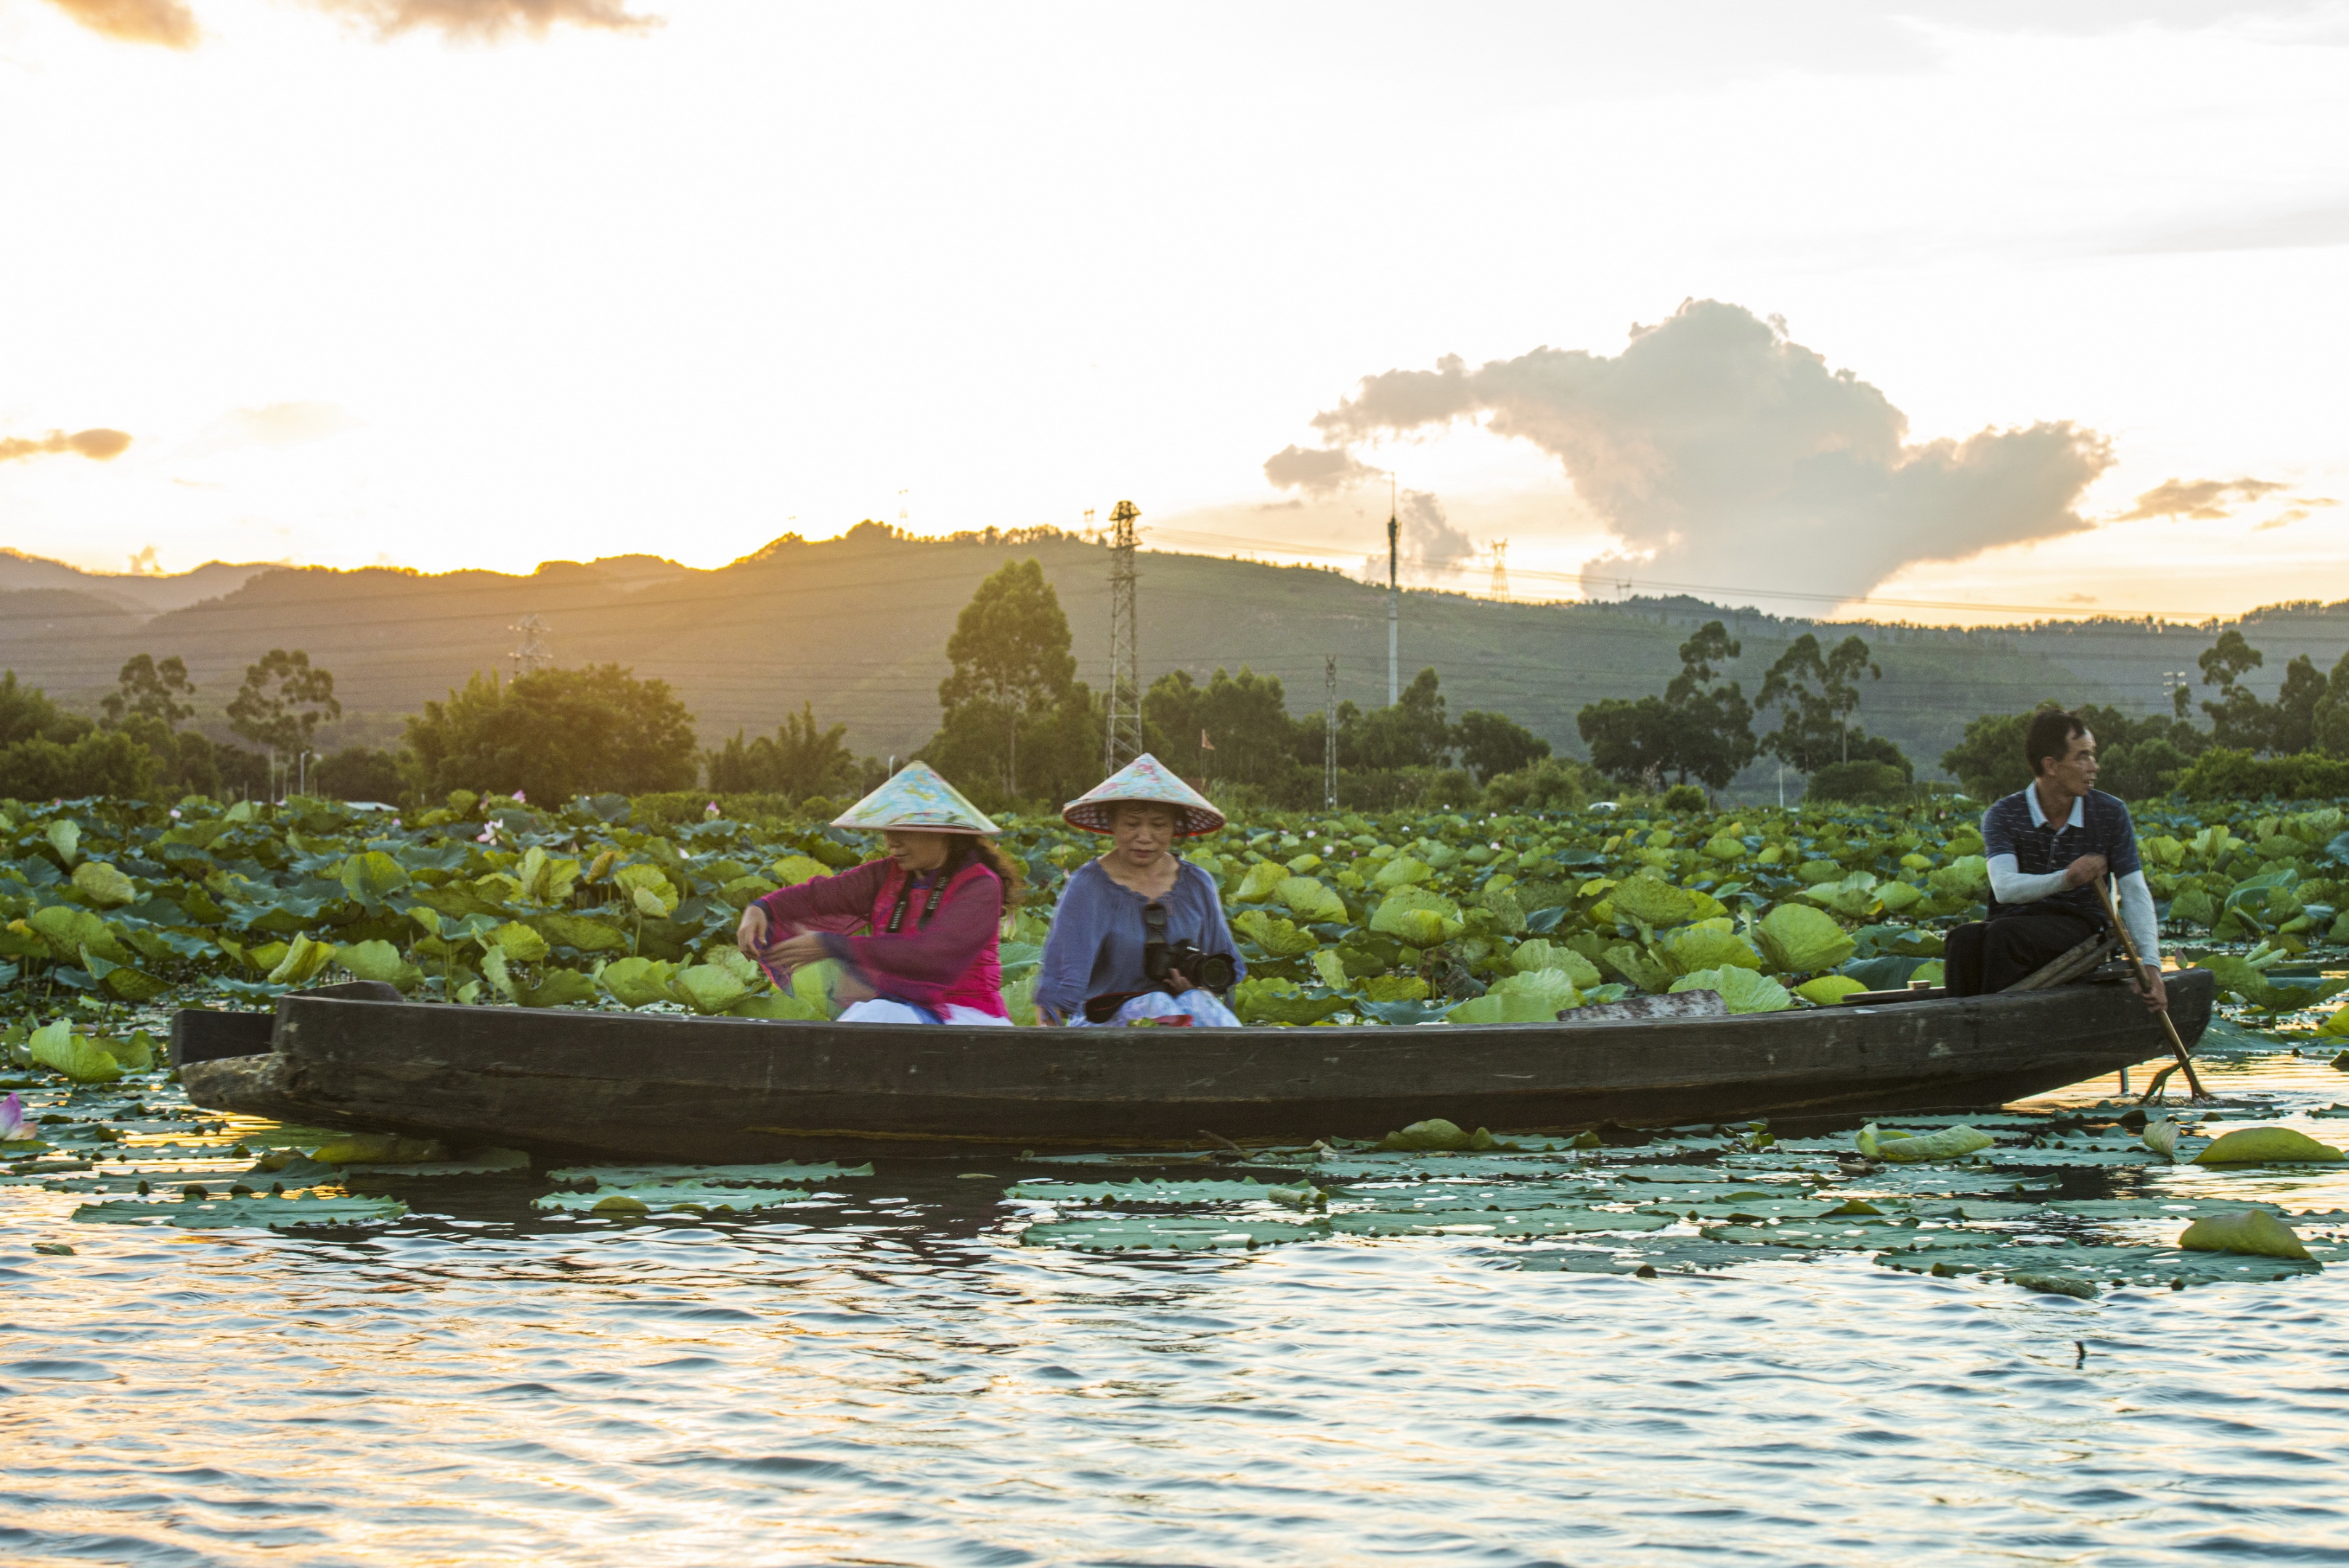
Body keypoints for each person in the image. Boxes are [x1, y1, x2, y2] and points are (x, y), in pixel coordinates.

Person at [736, 762, 1022, 1026]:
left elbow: (933, 957)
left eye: (903, 830)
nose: (891, 842)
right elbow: (818, 897)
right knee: (869, 1019)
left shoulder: (980, 887)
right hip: (899, 1010)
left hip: (966, 1018)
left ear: (942, 832)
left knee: (873, 1019)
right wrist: (760, 909)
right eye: (887, 829)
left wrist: (835, 946)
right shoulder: (887, 875)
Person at [1945, 707, 2166, 1010]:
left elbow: (2134, 890)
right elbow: (2005, 888)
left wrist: (2152, 965)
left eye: (2093, 755)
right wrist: (2067, 878)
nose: (2094, 767)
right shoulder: (2003, 814)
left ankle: (1995, 1026)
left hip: (2080, 926)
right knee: (1963, 939)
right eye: (2082, 757)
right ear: (2051, 765)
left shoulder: (2109, 812)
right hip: (2014, 922)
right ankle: (1959, 1023)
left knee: (2005, 937)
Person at [1036, 754, 1245, 1026]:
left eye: (1158, 825)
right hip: (1103, 1027)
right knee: (1158, 1005)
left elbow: (1224, 967)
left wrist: (1198, 987)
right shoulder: (1087, 888)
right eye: (1131, 824)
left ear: (1174, 828)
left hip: (1187, 1025)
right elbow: (1057, 991)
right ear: (1112, 824)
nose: (1144, 837)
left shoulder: (1197, 883)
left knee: (1194, 1008)